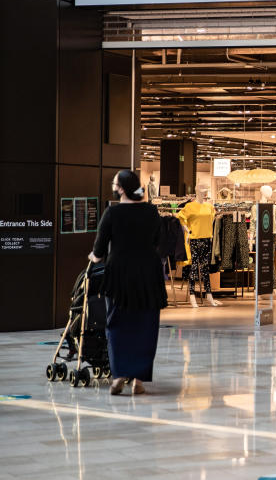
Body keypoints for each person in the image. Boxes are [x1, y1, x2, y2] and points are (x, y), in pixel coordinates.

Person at [89, 169, 167, 395]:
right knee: (146, 325)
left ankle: (119, 375)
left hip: (119, 276)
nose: (113, 187)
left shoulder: (112, 214)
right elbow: (158, 242)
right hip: (147, 276)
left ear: (121, 188)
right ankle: (139, 381)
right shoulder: (152, 212)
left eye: (114, 184)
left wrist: (93, 258)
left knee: (117, 324)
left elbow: (99, 250)